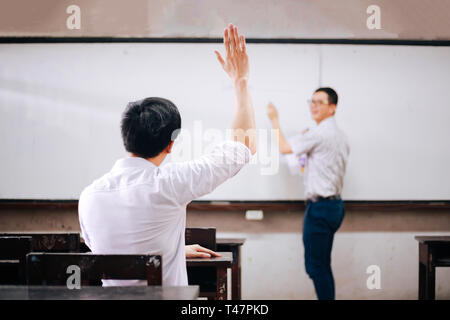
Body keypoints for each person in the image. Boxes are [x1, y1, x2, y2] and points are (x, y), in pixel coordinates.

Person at [78, 24, 256, 286]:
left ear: (125, 136)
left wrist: (171, 250)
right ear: (171, 144)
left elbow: (109, 254)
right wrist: (240, 81)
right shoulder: (170, 184)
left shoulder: (90, 195)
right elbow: (244, 145)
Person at [267, 87, 350, 300]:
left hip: (320, 208)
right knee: (322, 265)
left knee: (316, 267)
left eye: (319, 102)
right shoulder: (338, 134)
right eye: (311, 101)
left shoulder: (320, 133)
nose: (313, 105)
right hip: (334, 206)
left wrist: (274, 120)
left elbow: (285, 148)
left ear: (332, 108)